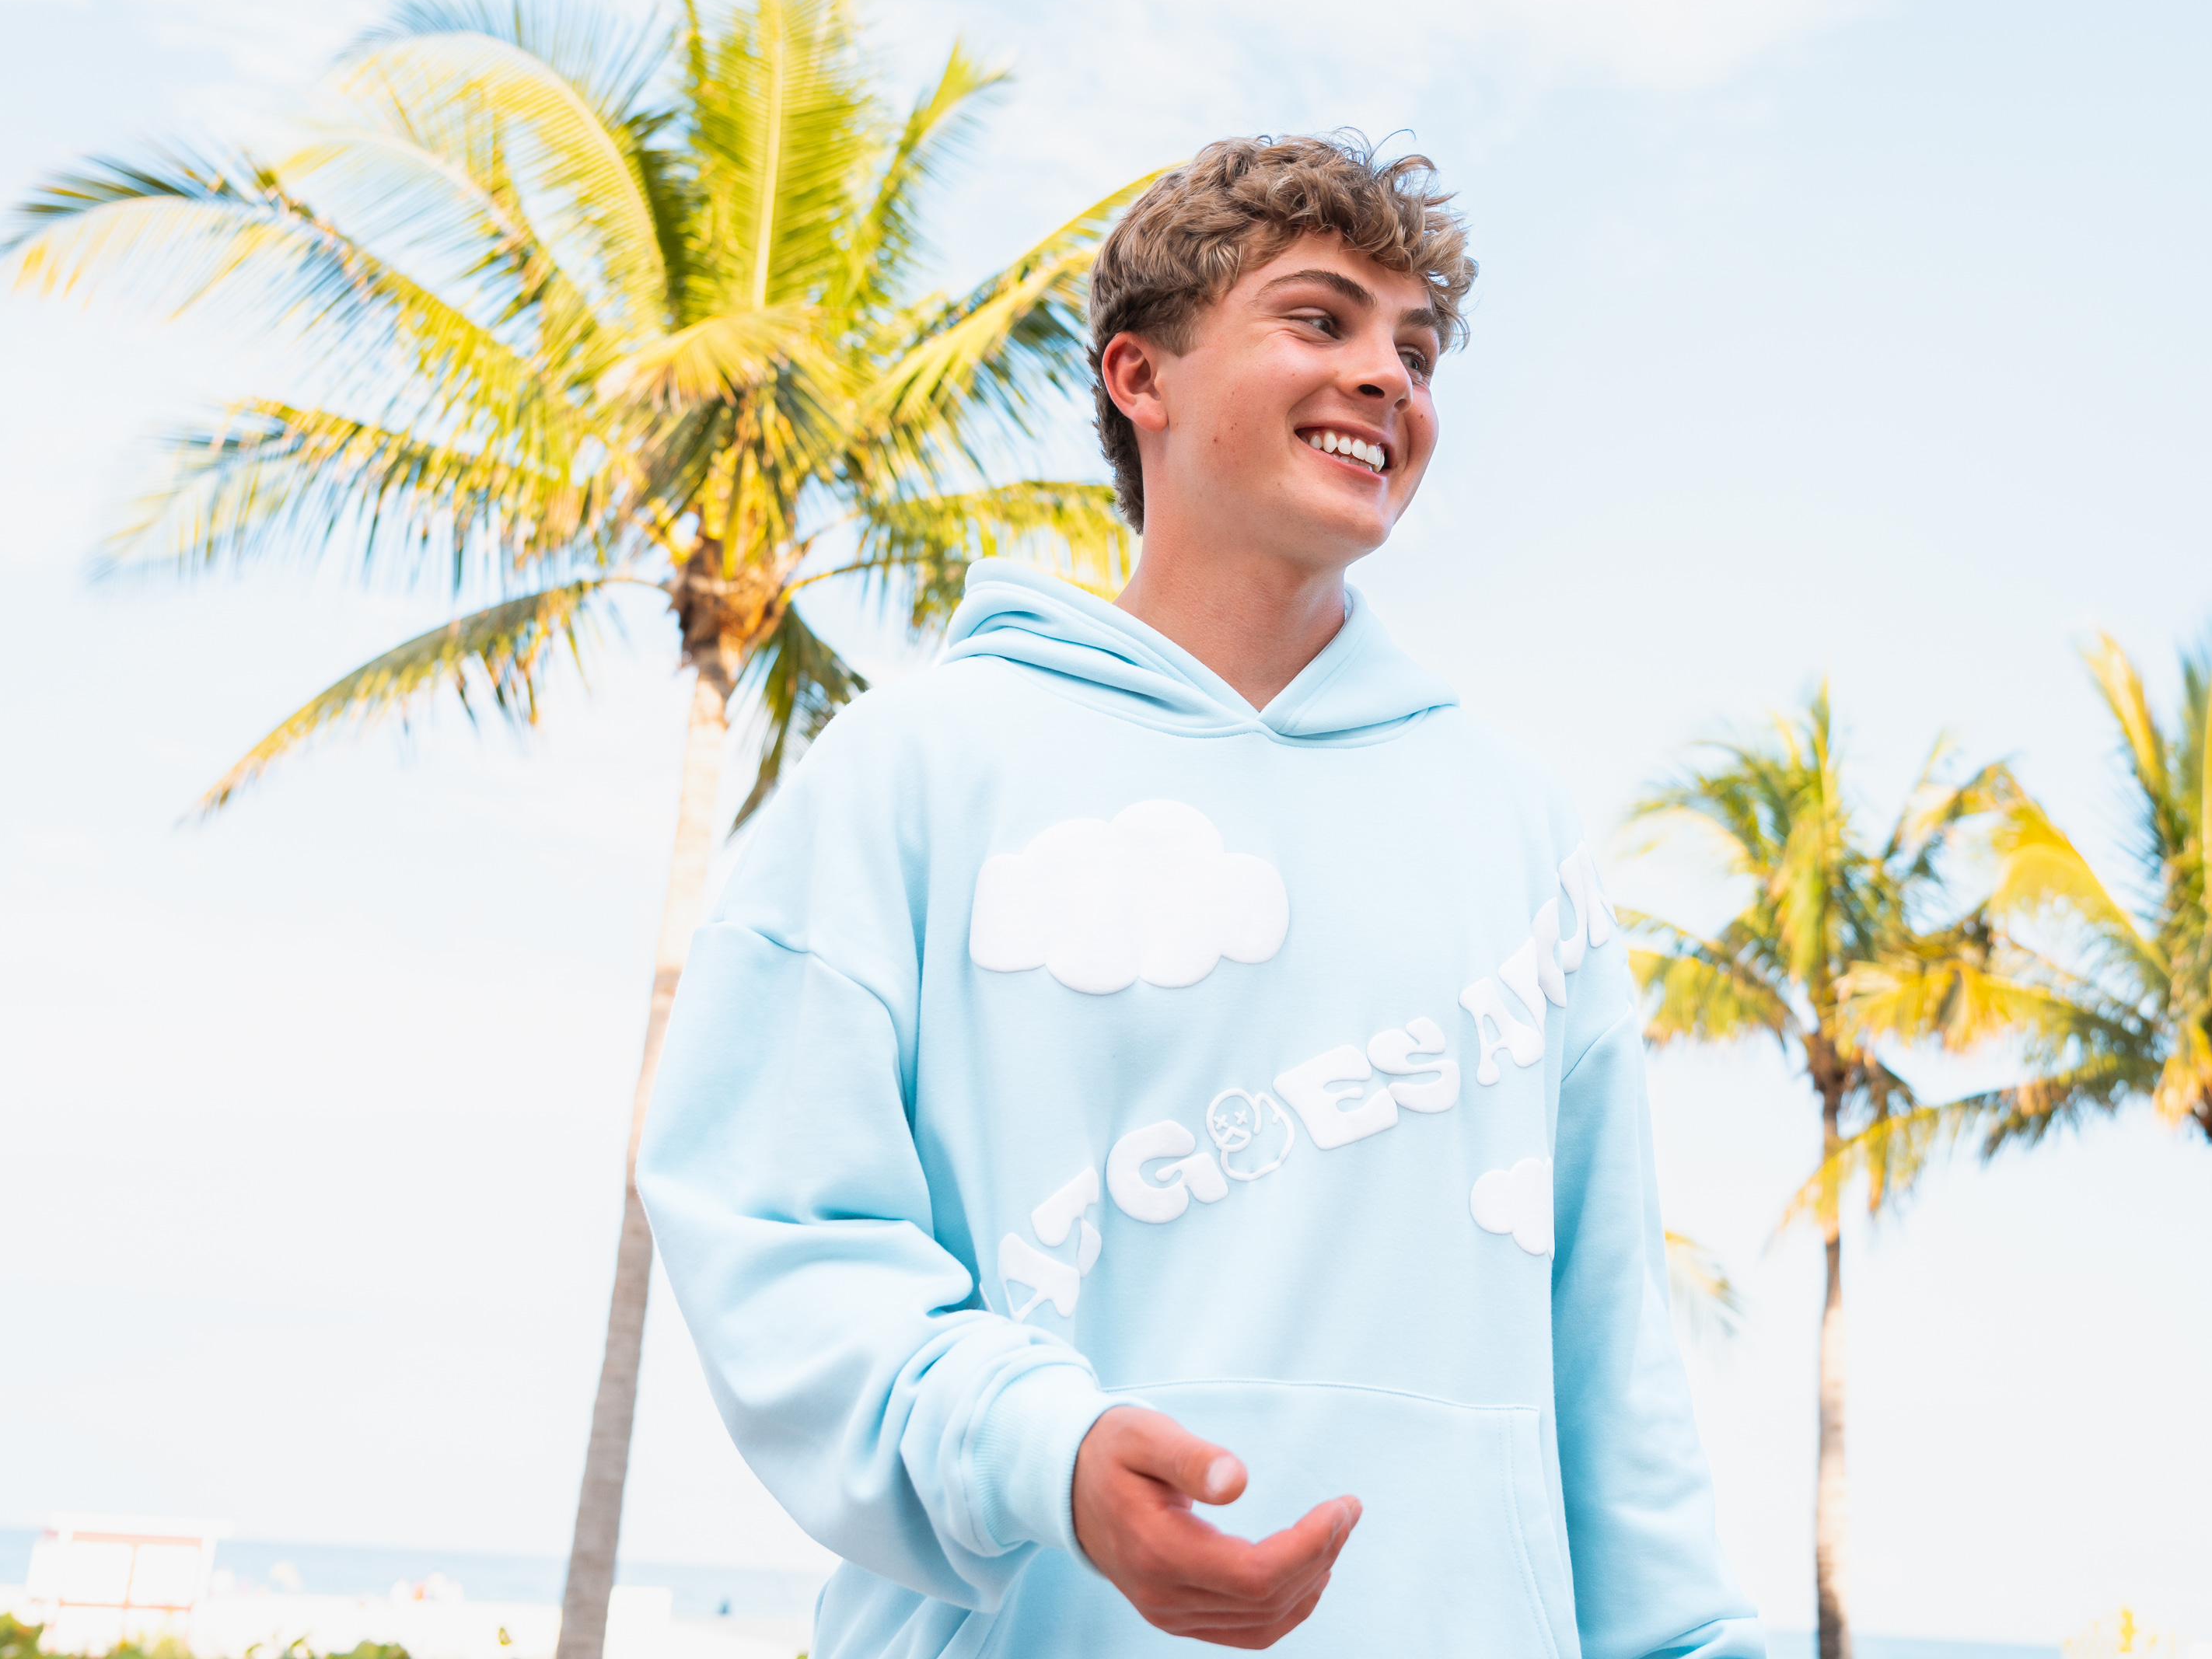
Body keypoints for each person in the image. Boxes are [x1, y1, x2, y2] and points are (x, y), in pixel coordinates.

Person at [638, 134, 1764, 1656]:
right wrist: (1054, 1459)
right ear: (1140, 378)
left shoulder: (1516, 824)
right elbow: (777, 1238)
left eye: (1416, 348)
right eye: (1321, 321)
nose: (1389, 377)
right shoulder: (905, 773)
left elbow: (1609, 1356)